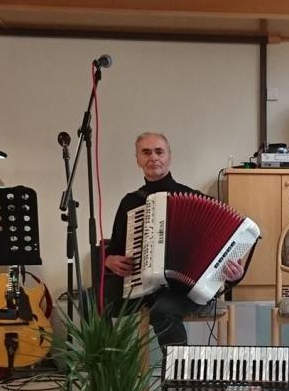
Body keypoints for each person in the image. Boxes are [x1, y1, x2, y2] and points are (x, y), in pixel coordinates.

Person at [103, 132, 244, 345]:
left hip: (184, 290)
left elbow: (226, 244)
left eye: (159, 152)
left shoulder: (196, 200)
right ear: (138, 160)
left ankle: (177, 367)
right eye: (146, 152)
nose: (153, 157)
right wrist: (110, 260)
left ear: (169, 156)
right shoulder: (130, 203)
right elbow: (113, 250)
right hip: (141, 285)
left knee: (163, 311)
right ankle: (106, 362)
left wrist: (235, 272)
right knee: (90, 301)